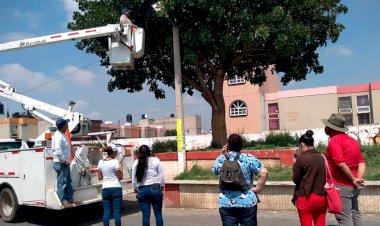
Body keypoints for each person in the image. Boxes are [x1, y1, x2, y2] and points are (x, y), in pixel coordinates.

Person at [212, 134, 268, 226]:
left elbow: (215, 171)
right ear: (241, 145)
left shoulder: (221, 158)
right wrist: (258, 189)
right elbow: (264, 173)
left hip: (226, 202)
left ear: (228, 145)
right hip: (247, 201)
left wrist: (222, 155)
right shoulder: (249, 158)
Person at [322, 113, 366, 226]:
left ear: (330, 128)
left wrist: (353, 179)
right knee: (355, 214)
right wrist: (358, 178)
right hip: (353, 186)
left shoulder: (334, 141)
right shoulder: (353, 141)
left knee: (345, 219)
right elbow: (361, 162)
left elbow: (340, 163)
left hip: (341, 185)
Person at [292, 130, 327, 226]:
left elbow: (296, 179)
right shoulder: (322, 157)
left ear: (302, 144)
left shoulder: (301, 159)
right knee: (320, 224)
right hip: (321, 197)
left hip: (305, 198)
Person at [132, 145, 165, 226]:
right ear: (149, 152)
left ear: (139, 153)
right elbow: (161, 177)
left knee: (145, 216)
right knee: (158, 214)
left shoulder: (136, 163)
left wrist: (135, 189)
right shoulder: (156, 161)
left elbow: (134, 179)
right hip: (155, 188)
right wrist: (162, 188)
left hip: (142, 190)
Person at [52, 118, 80, 208]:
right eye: (67, 124)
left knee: (68, 181)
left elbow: (63, 148)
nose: (68, 126)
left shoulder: (61, 135)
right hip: (61, 163)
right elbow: (58, 151)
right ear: (64, 126)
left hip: (64, 162)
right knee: (62, 182)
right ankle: (63, 201)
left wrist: (71, 152)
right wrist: (64, 161)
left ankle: (70, 198)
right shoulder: (58, 136)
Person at [97, 144, 123, 226]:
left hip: (105, 188)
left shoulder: (101, 162)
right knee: (117, 213)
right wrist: (121, 169)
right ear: (114, 152)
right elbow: (120, 177)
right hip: (116, 188)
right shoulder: (115, 162)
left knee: (106, 212)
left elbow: (100, 177)